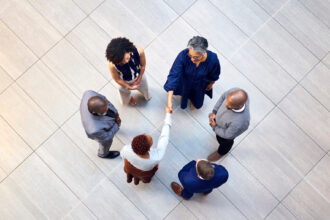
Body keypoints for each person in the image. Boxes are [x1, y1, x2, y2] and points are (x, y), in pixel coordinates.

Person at [164, 36, 221, 110]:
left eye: (196, 57)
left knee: (196, 99)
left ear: (204, 52)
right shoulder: (183, 55)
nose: (192, 59)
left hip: (199, 84)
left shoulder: (213, 59)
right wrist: (169, 102)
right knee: (184, 91)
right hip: (185, 82)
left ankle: (192, 101)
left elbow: (215, 73)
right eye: (190, 56)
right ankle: (184, 96)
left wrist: (211, 83)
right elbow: (174, 75)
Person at [120, 106, 172, 185]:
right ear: (148, 148)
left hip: (129, 168)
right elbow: (164, 137)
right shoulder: (156, 157)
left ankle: (130, 179)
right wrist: (168, 114)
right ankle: (139, 181)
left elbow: (122, 156)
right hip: (144, 172)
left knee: (131, 173)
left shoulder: (126, 149)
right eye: (151, 140)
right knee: (144, 177)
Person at [208, 88, 250, 161]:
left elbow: (228, 135)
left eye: (229, 106)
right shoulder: (233, 92)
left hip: (226, 136)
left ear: (239, 106)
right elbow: (223, 97)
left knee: (225, 143)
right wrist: (214, 112)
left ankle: (221, 152)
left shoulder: (241, 122)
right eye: (226, 102)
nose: (225, 105)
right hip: (219, 123)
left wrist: (214, 127)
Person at [106, 37, 151, 106]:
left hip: (139, 75)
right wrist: (127, 86)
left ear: (128, 50)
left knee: (145, 87)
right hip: (124, 80)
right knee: (123, 92)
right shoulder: (112, 65)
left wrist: (139, 78)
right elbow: (117, 79)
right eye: (122, 62)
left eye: (126, 58)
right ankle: (129, 99)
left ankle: (146, 94)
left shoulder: (139, 51)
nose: (126, 62)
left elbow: (143, 66)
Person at [80, 90, 121, 159]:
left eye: (107, 108)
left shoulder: (89, 93)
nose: (107, 111)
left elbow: (105, 100)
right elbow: (106, 137)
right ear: (94, 113)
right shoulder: (94, 129)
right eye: (104, 112)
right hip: (102, 135)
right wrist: (117, 125)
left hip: (106, 120)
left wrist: (115, 112)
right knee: (105, 144)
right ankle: (103, 154)